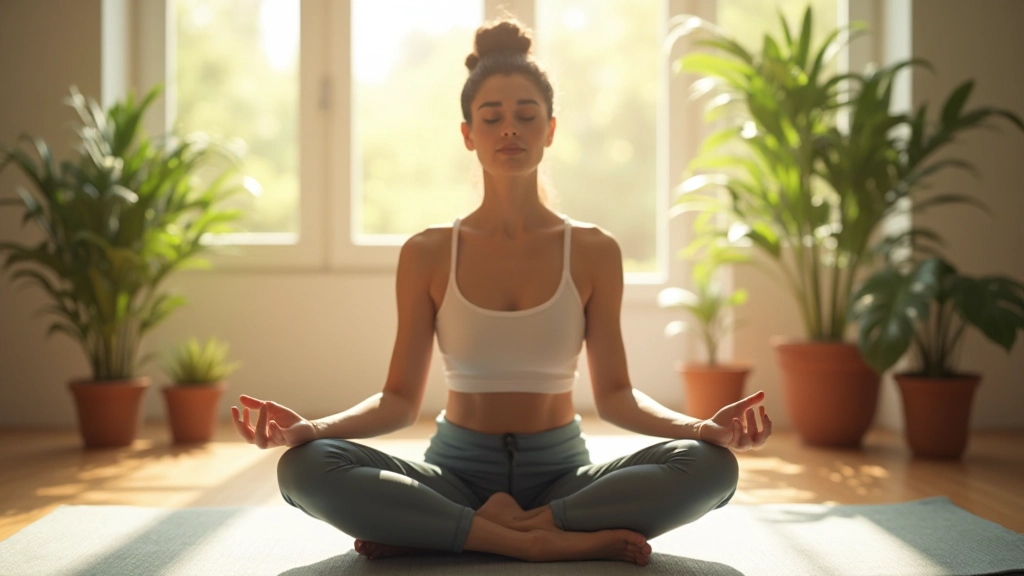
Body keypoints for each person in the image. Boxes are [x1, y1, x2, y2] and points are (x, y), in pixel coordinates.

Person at [230, 18, 771, 567]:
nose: (509, 128)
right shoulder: (427, 252)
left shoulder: (592, 251)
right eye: (492, 117)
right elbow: (397, 401)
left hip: (565, 481)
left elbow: (616, 398)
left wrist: (702, 428)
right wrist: (312, 428)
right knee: (303, 466)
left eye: (526, 115)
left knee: (713, 467)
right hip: (454, 477)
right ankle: (525, 540)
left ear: (551, 129)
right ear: (468, 134)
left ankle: (460, 531)